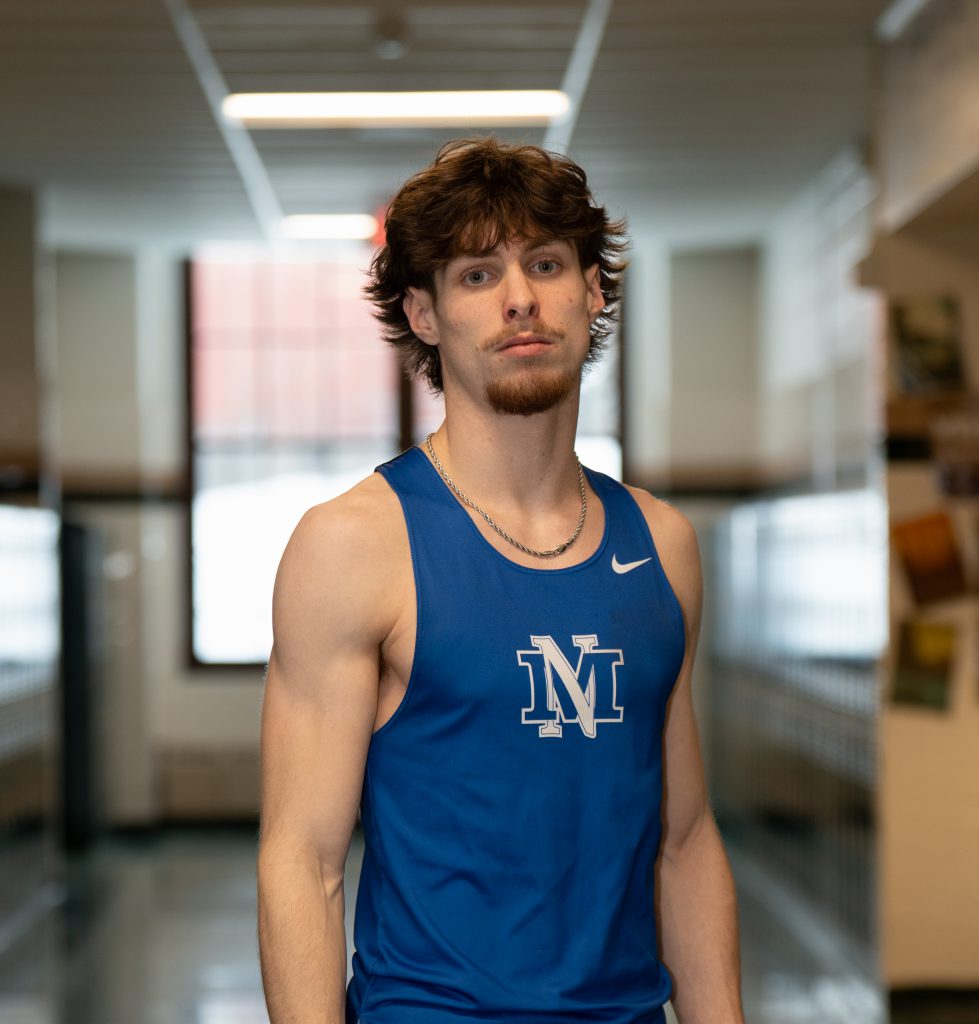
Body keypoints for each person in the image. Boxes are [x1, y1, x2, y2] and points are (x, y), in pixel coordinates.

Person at [257, 137, 745, 1024]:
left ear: (592, 291)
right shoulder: (355, 544)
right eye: (477, 275)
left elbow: (683, 839)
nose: (520, 297)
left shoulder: (661, 542)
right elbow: (303, 860)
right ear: (426, 313)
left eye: (547, 264)